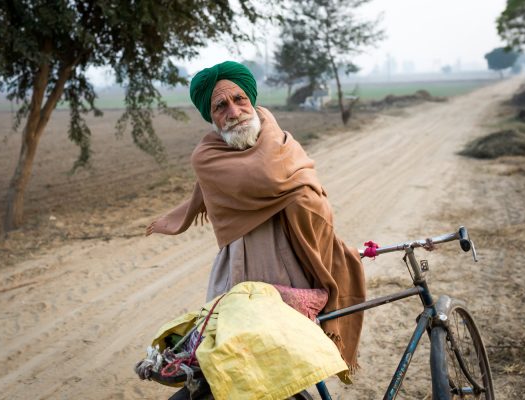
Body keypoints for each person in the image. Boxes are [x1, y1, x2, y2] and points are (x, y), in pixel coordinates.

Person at [146, 61, 366, 376]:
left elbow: (300, 184)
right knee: (241, 364)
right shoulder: (207, 156)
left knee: (293, 365)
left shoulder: (281, 139)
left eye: (239, 100)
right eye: (220, 106)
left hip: (299, 265)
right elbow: (268, 175)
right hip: (242, 272)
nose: (233, 112)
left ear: (252, 101)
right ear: (211, 117)